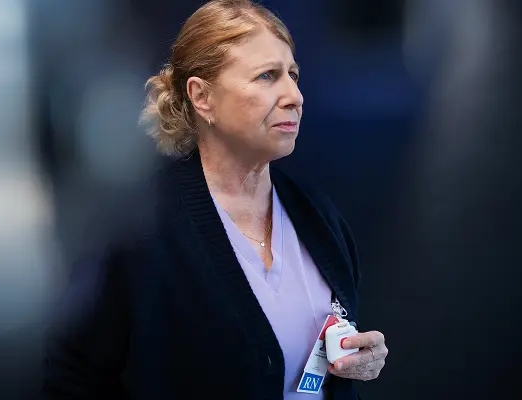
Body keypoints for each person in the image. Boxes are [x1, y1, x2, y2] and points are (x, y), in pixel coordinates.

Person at [43, 1, 388, 399]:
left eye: (293, 75)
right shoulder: (140, 230)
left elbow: (328, 355)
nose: (294, 96)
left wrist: (361, 360)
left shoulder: (320, 219)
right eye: (266, 76)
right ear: (202, 96)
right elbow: (70, 376)